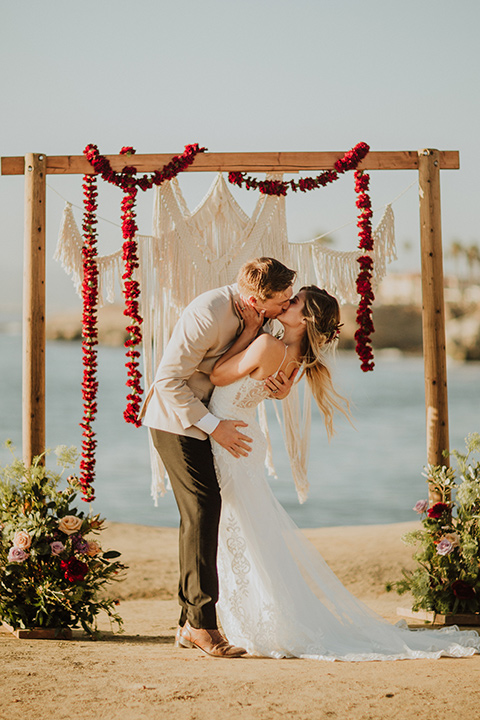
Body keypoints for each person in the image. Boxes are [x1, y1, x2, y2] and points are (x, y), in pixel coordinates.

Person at [194, 285, 480, 661]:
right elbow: (272, 391)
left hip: (232, 440)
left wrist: (248, 333)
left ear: (306, 318)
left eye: (293, 302)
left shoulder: (265, 345)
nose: (286, 302)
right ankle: (225, 617)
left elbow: (216, 375)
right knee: (244, 528)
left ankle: (224, 618)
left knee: (238, 528)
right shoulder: (295, 357)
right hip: (244, 438)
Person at [141, 257, 298, 657]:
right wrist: (215, 426)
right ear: (254, 299)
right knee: (203, 506)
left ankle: (185, 622)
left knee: (202, 512)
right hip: (176, 421)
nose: (288, 304)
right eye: (283, 300)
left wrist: (276, 389)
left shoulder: (260, 319)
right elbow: (167, 380)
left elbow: (246, 368)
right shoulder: (207, 311)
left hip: (213, 421)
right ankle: (202, 625)